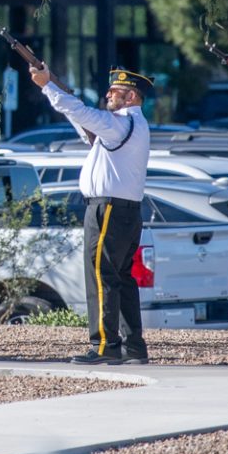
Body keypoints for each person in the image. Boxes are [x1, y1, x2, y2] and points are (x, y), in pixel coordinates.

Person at [32, 66, 153, 366]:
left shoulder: (122, 122)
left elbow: (84, 113)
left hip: (108, 209)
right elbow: (83, 120)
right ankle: (133, 347)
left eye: (115, 91)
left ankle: (104, 346)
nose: (108, 94)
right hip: (122, 209)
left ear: (132, 96)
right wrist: (59, 90)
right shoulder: (128, 126)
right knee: (121, 279)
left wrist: (49, 86)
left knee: (101, 277)